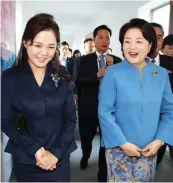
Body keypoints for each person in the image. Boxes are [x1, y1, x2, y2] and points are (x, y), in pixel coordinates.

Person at [1, 13, 77, 182]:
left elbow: (71, 118)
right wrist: (35, 150)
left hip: (59, 160)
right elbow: (5, 120)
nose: (44, 53)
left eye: (50, 47)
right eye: (38, 45)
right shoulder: (10, 78)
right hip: (26, 158)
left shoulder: (62, 76)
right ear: (26, 43)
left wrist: (56, 153)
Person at [98, 18, 173, 182]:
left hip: (149, 149)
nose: (132, 47)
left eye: (139, 41)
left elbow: (170, 111)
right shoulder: (112, 73)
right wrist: (123, 144)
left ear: (150, 45)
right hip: (118, 148)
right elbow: (104, 112)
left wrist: (159, 142)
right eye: (127, 41)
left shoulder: (160, 74)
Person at [76, 24, 121, 181]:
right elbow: (78, 82)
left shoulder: (117, 61)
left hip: (109, 110)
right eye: (100, 37)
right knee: (86, 139)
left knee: (106, 141)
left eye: (107, 37)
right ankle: (85, 156)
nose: (104, 40)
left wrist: (113, 70)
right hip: (88, 108)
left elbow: (122, 85)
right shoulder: (83, 60)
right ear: (94, 40)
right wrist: (98, 74)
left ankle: (103, 170)